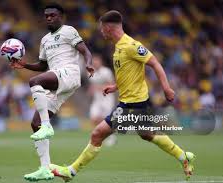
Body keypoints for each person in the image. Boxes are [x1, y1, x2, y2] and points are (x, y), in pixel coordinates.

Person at [50, 10, 196, 181]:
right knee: (147, 134)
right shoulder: (118, 47)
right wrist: (115, 86)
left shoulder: (131, 46)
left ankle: (70, 172)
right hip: (133, 102)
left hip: (133, 104)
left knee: (97, 134)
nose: (101, 32)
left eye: (102, 29)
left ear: (108, 28)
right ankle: (183, 156)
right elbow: (128, 72)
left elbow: (155, 63)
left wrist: (166, 88)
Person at [10, 3, 94, 181]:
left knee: (34, 82)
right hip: (57, 79)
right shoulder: (45, 40)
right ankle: (45, 168)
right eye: (46, 15)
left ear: (60, 16)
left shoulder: (68, 31)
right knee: (35, 123)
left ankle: (48, 126)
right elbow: (42, 66)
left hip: (68, 74)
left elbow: (85, 50)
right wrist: (24, 64)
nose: (49, 18)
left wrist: (88, 62)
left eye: (53, 15)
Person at [88, 54, 116, 146]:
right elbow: (92, 85)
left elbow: (111, 84)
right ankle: (100, 135)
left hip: (107, 98)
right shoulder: (91, 72)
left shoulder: (106, 71)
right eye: (94, 61)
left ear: (101, 62)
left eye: (97, 61)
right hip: (97, 99)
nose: (95, 63)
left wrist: (98, 88)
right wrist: (91, 89)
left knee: (106, 119)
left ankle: (111, 137)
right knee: (93, 117)